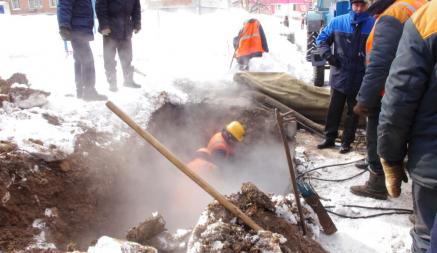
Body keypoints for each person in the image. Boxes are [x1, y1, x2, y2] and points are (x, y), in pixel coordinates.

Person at [350, 0, 425, 200]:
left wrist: (365, 99)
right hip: (417, 88)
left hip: (389, 91)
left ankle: (376, 182)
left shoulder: (393, 15)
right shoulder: (417, 5)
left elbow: (380, 63)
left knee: (378, 135)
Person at [377, 0, 437, 252]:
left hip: (433, 162)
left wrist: (390, 157)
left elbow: (401, 94)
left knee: (427, 237)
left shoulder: (430, 16)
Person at [315, 0, 374, 153]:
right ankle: (329, 138)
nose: (359, 8)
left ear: (367, 6)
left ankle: (347, 141)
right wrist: (328, 55)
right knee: (334, 109)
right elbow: (321, 40)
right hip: (340, 74)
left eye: (362, 5)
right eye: (356, 5)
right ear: (351, 5)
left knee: (353, 111)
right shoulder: (337, 22)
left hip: (360, 76)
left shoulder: (374, 24)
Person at [57, 0, 107, 101]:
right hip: (76, 29)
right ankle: (89, 91)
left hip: (80, 29)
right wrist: (64, 25)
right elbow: (64, 5)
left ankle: (81, 90)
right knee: (87, 61)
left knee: (80, 60)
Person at [96, 0, 142, 92]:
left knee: (127, 57)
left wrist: (137, 23)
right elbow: (100, 7)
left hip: (126, 29)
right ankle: (112, 83)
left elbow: (136, 8)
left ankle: (128, 80)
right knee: (109, 58)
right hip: (110, 30)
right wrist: (104, 25)